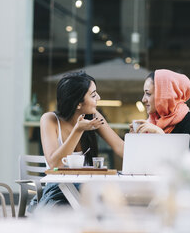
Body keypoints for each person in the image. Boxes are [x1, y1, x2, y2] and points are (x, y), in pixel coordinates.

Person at [32, 71, 124, 209]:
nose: (98, 97)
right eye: (93, 95)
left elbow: (119, 147)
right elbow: (54, 164)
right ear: (78, 103)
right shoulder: (49, 120)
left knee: (113, 202)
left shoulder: (93, 115)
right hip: (59, 190)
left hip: (88, 187)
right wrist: (78, 130)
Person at [131, 69, 190, 149]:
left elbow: (186, 159)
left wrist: (160, 135)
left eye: (148, 93)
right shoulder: (153, 122)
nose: (143, 99)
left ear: (164, 94)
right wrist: (134, 140)